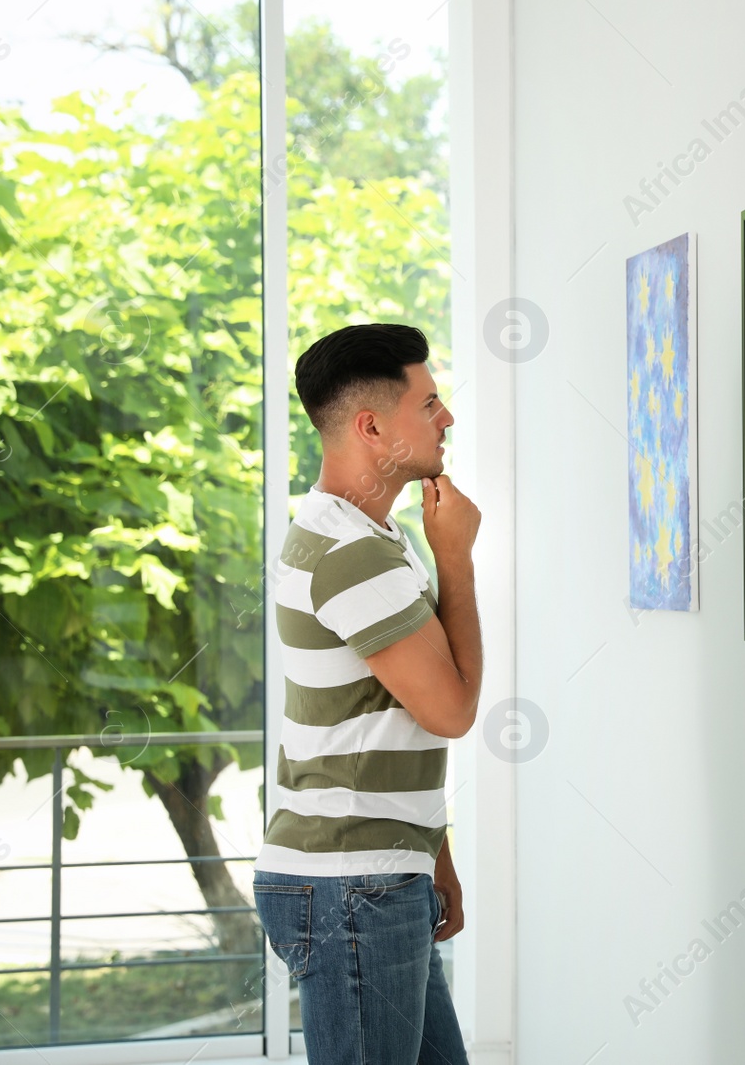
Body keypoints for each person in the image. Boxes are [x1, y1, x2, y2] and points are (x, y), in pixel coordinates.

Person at [252, 323, 483, 1065]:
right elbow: (449, 708)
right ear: (373, 426)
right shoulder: (354, 554)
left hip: (376, 873)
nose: (447, 419)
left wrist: (431, 854)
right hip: (351, 887)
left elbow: (377, 722)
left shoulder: (362, 536)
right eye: (431, 403)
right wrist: (457, 559)